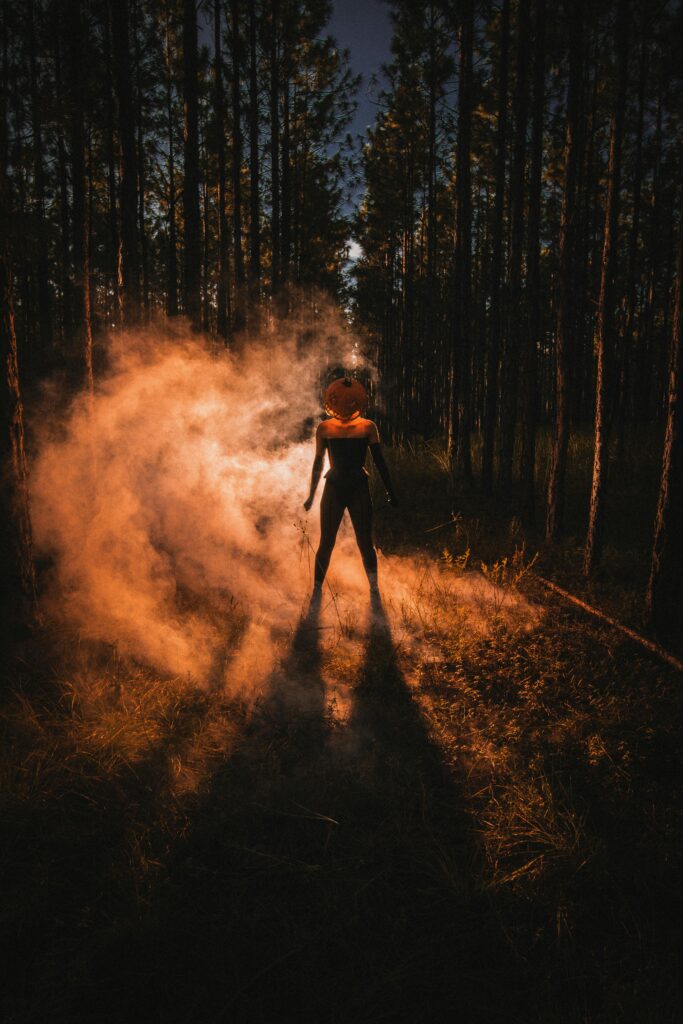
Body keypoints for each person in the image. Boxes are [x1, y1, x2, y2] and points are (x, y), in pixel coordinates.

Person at [303, 377, 397, 593]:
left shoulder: (367, 427)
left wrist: (391, 491)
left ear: (358, 401)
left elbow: (379, 461)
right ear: (332, 401)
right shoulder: (325, 428)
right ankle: (317, 590)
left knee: (364, 541)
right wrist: (310, 496)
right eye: (339, 400)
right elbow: (318, 464)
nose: (345, 405)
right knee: (327, 542)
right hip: (335, 486)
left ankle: (374, 590)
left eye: (350, 401)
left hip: (357, 487)